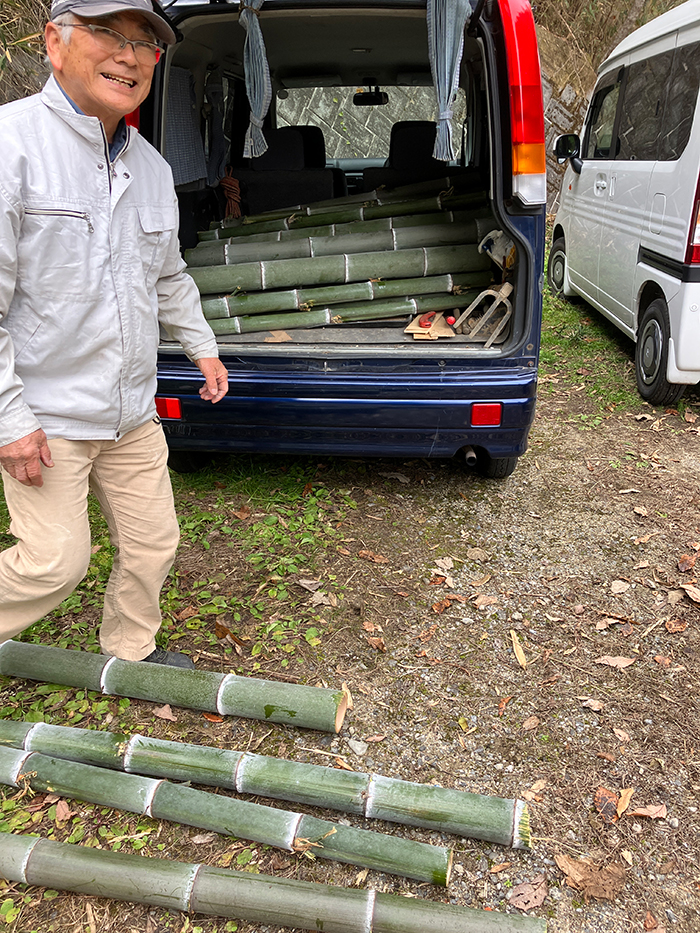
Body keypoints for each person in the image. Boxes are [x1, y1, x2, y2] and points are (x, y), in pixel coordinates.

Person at [0, 0, 229, 668]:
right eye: (107, 34)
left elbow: (168, 275)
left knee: (154, 541)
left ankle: (130, 648)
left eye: (145, 45)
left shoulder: (150, 167)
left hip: (130, 410)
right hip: (47, 414)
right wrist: (10, 419)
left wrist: (202, 346)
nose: (129, 57)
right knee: (53, 561)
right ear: (54, 41)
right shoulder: (12, 146)